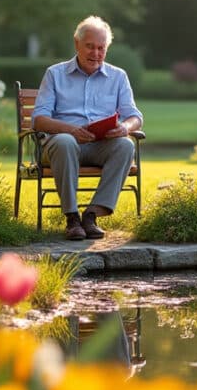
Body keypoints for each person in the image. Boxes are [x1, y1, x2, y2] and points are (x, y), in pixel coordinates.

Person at [32, 16, 143, 240]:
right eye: (90, 47)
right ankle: (72, 218)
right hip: (60, 146)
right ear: (77, 44)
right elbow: (39, 119)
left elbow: (135, 116)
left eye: (101, 48)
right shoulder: (55, 74)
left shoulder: (118, 76)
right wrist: (70, 130)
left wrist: (124, 127)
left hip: (99, 146)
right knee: (65, 141)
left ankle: (91, 215)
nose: (95, 53)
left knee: (125, 145)